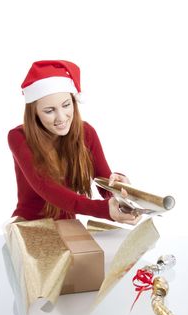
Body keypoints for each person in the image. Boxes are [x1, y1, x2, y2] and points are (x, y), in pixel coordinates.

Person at [8, 60, 141, 225]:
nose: (61, 118)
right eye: (49, 111)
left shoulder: (87, 133)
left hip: (68, 225)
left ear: (74, 101)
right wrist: (104, 210)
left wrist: (120, 192)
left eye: (66, 105)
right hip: (28, 225)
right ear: (34, 113)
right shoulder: (19, 137)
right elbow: (48, 189)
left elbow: (105, 184)